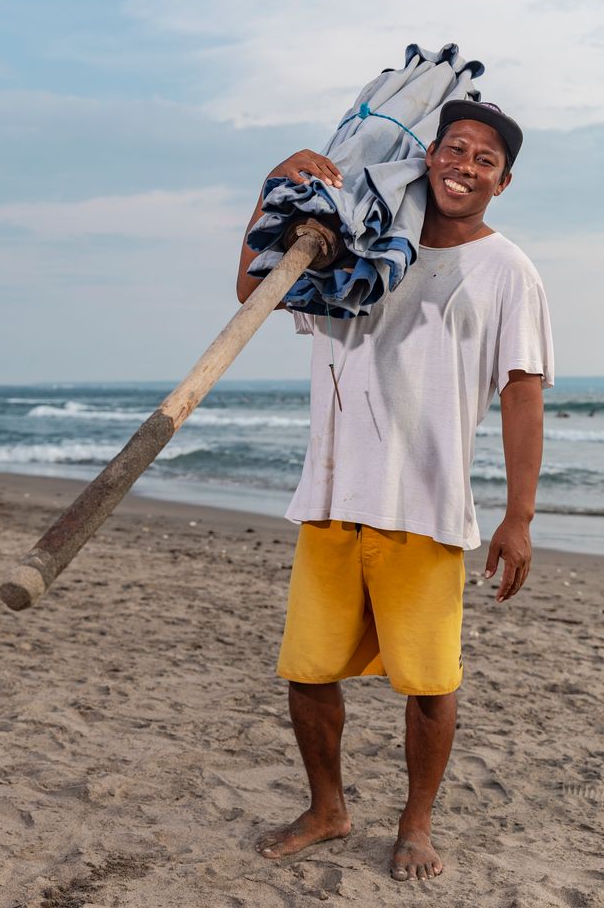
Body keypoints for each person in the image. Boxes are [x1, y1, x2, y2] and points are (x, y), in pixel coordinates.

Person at [236, 100, 554, 882]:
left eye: (484, 159)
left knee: (429, 682)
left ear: (502, 183)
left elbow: (523, 393)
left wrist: (519, 516)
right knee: (308, 671)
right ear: (428, 155)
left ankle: (416, 823)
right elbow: (252, 292)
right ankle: (327, 808)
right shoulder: (356, 245)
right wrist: (274, 188)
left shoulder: (507, 269)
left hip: (425, 506)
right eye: (455, 148)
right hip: (333, 497)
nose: (465, 165)